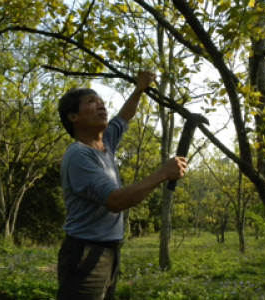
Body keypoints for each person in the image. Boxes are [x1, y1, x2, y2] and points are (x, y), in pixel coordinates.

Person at [56, 71, 187, 300]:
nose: (101, 106)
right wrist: (163, 173)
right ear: (73, 117)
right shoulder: (79, 155)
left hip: (109, 252)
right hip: (85, 253)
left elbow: (124, 116)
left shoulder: (105, 143)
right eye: (92, 102)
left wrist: (140, 88)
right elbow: (116, 201)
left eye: (102, 102)